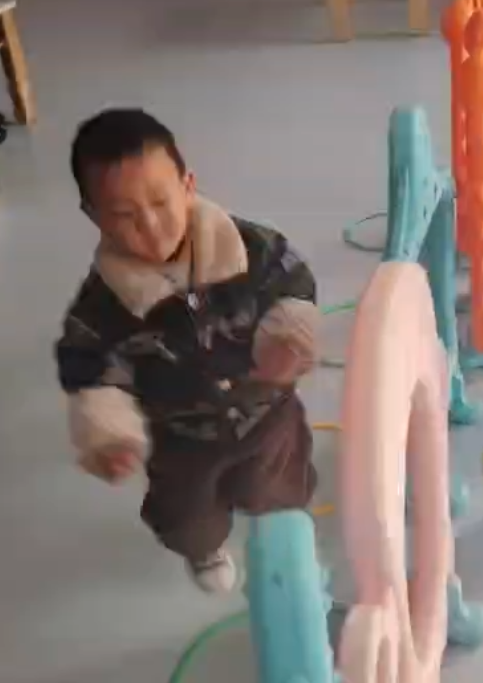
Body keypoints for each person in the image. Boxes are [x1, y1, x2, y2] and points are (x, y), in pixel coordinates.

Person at [54, 108, 321, 595]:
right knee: (185, 516)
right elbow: (89, 369)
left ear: (188, 185)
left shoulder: (252, 247)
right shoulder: (102, 306)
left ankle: (281, 535)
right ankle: (204, 549)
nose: (151, 226)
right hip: (181, 435)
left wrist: (289, 336)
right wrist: (109, 434)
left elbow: (294, 281)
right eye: (125, 215)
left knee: (278, 486)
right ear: (93, 215)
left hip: (267, 411)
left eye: (160, 201)